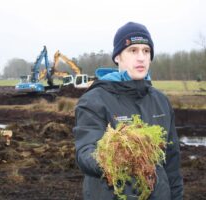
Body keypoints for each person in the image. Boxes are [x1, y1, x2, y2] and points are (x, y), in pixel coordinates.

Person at [73, 22, 183, 199]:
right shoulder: (94, 100)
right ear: (118, 57)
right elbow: (85, 152)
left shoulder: (161, 101)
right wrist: (119, 156)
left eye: (146, 51)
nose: (141, 58)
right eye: (133, 50)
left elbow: (172, 162)